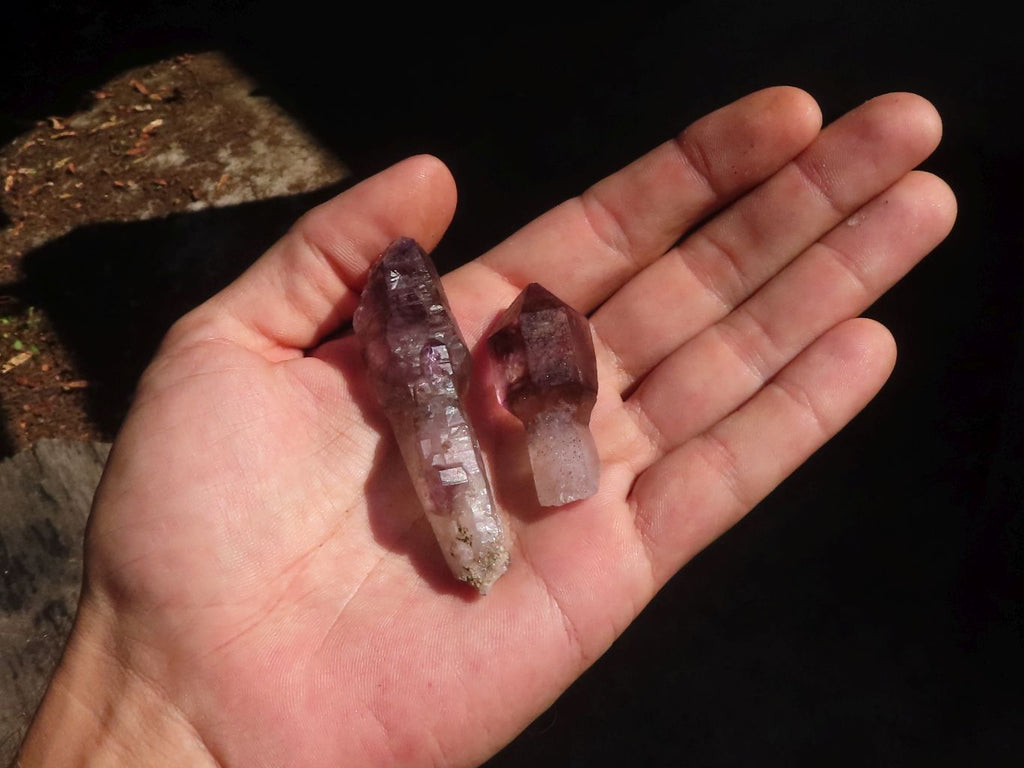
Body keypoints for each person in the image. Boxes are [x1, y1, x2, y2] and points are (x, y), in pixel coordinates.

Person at [15, 87, 954, 767]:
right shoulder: (427, 356)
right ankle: (477, 540)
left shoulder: (527, 379)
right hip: (440, 427)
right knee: (444, 439)